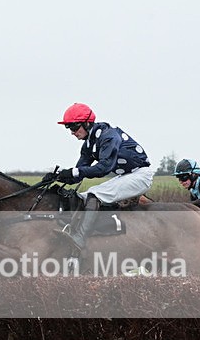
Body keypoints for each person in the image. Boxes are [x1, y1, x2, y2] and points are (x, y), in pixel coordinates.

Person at [44, 102, 154, 253]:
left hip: (141, 176)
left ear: (87, 123)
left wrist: (72, 172)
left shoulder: (108, 136)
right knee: (82, 197)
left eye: (74, 127)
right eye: (68, 128)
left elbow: (103, 168)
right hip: (126, 176)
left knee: (94, 194)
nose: (72, 132)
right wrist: (58, 176)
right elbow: (78, 174)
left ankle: (79, 239)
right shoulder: (89, 144)